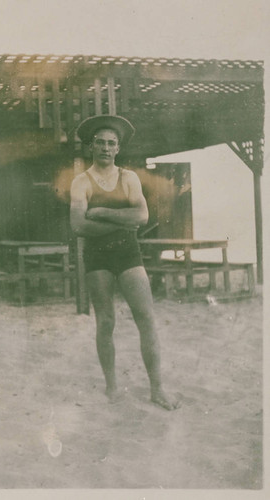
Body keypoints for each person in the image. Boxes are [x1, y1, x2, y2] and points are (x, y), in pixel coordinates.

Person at [70, 115, 179, 410]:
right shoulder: (81, 182)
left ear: (118, 148)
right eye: (101, 143)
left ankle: (157, 389)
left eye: (111, 143)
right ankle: (112, 386)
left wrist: (102, 211)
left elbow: (142, 217)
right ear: (91, 146)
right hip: (97, 257)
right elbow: (79, 226)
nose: (106, 148)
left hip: (128, 254)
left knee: (146, 318)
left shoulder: (129, 178)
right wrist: (122, 221)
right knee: (106, 322)